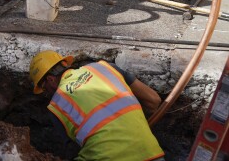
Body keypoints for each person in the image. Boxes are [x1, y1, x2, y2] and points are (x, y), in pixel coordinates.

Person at [29, 50, 165, 161]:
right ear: (65, 64)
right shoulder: (105, 68)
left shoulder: (56, 105)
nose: (46, 93)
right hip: (151, 153)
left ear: (50, 79)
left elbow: (72, 152)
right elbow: (154, 100)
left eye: (44, 88)